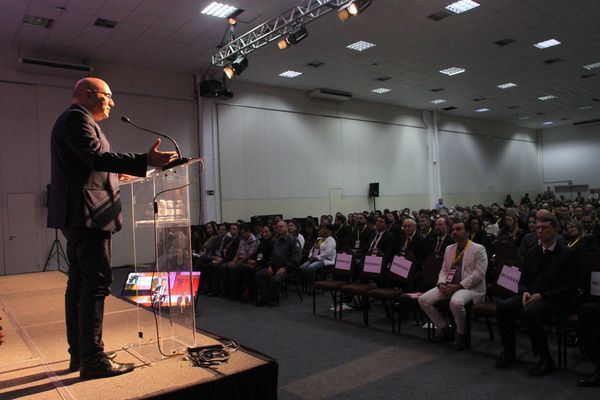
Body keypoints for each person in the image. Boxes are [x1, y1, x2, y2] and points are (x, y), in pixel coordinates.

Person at [47, 78, 176, 379]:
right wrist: (145, 160)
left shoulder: (78, 121)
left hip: (81, 213)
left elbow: (89, 168)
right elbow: (96, 158)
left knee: (79, 284)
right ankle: (92, 358)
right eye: (108, 96)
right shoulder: (76, 119)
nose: (112, 102)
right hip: (88, 215)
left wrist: (117, 178)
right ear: (88, 94)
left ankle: (80, 353)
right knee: (95, 283)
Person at [495, 215, 577, 376]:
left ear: (555, 229)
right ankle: (509, 351)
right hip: (531, 295)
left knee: (529, 312)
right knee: (504, 307)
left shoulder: (568, 254)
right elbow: (523, 278)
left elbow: (572, 286)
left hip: (556, 299)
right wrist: (524, 291)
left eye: (545, 228)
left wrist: (543, 295)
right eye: (538, 228)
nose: (540, 231)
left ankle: (546, 359)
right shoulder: (533, 252)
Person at [418, 220, 488, 350]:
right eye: (453, 229)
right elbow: (444, 269)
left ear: (467, 232)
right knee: (423, 300)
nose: (454, 232)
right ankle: (445, 330)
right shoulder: (450, 248)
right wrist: (441, 283)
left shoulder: (478, 249)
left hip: (470, 288)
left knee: (455, 303)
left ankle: (461, 334)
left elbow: (479, 274)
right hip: (449, 285)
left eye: (459, 229)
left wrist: (459, 286)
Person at [255, 220, 302, 306]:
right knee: (259, 275)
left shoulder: (293, 241)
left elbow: (296, 259)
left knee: (275, 279)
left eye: (281, 227)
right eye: (278, 227)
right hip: (275, 267)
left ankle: (267, 298)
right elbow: (272, 256)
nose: (279, 229)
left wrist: (285, 268)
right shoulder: (276, 240)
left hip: (288, 269)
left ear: (287, 227)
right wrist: (270, 265)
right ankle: (267, 297)